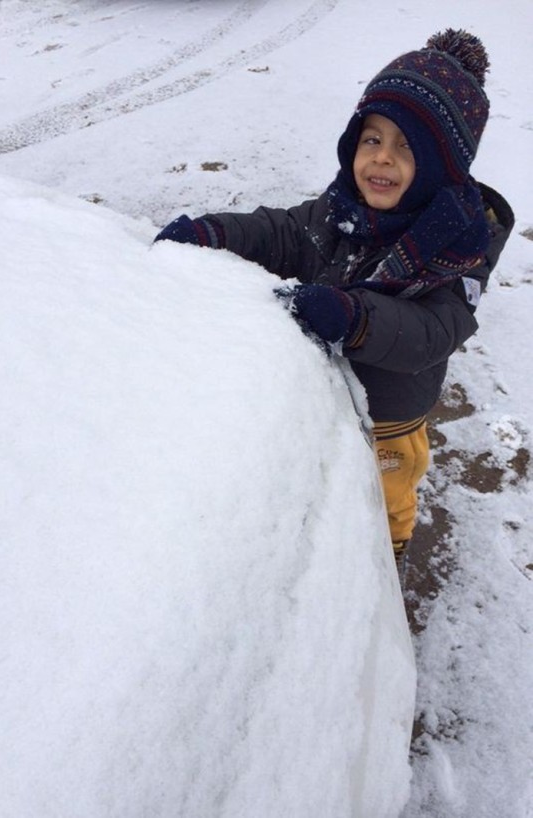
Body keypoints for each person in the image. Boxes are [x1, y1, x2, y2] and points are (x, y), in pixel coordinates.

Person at [154, 29, 514, 566]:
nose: (382, 159)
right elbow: (282, 232)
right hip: (328, 395)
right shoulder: (342, 207)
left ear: (444, 166)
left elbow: (432, 332)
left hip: (390, 418)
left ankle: (387, 558)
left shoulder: (459, 246)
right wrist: (215, 233)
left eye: (407, 146)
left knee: (385, 499)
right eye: (372, 139)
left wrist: (355, 318)